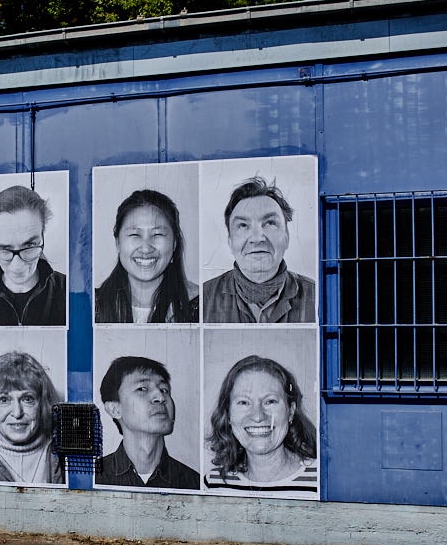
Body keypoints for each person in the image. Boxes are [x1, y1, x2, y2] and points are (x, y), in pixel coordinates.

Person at [201, 177, 316, 323]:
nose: (257, 238)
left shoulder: (317, 295)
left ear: (286, 237)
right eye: (243, 225)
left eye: (270, 223)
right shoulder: (202, 299)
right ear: (230, 242)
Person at [205, 355, 318, 491]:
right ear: (228, 414)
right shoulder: (213, 483)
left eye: (270, 401)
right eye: (244, 402)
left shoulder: (320, 480)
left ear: (291, 411)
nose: (258, 416)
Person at [96, 355, 199, 490]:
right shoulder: (94, 477)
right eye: (142, 389)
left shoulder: (193, 482)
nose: (161, 397)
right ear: (114, 409)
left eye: (164, 390)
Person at [95, 190, 199, 324]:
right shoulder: (90, 306)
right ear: (118, 243)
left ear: (174, 244)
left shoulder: (201, 306)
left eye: (157, 235)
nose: (146, 248)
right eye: (135, 235)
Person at [0, 186, 67, 326]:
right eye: (4, 248)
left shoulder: (67, 290)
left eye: (29, 246)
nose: (17, 266)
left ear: (42, 236)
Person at [0, 351, 64, 484]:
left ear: (42, 404)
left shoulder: (66, 452)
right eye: (4, 400)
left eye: (27, 399)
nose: (17, 413)